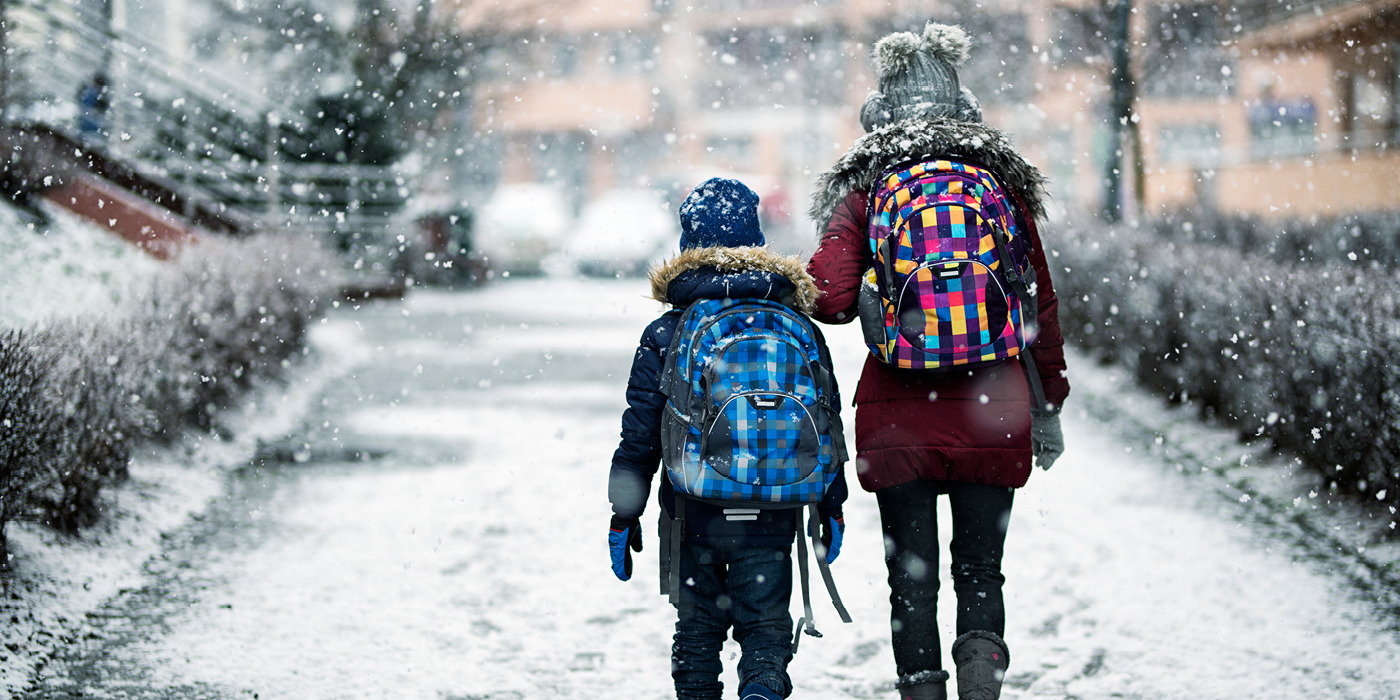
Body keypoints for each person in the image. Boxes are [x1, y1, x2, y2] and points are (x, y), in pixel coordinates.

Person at [804, 23, 1071, 700]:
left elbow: (829, 299)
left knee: (912, 578)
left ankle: (921, 689)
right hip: (995, 405)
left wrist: (873, 299)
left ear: (880, 111)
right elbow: (1038, 302)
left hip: (899, 416)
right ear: (963, 106)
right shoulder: (998, 186)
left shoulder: (867, 190)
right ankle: (982, 680)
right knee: (981, 571)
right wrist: (1050, 403)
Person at [608, 177, 850, 700]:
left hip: (693, 508)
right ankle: (762, 687)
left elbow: (640, 434)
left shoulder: (668, 332)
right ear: (755, 241)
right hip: (775, 508)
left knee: (696, 635)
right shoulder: (796, 323)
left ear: (687, 246)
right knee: (765, 630)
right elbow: (826, 420)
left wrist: (623, 515)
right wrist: (832, 502)